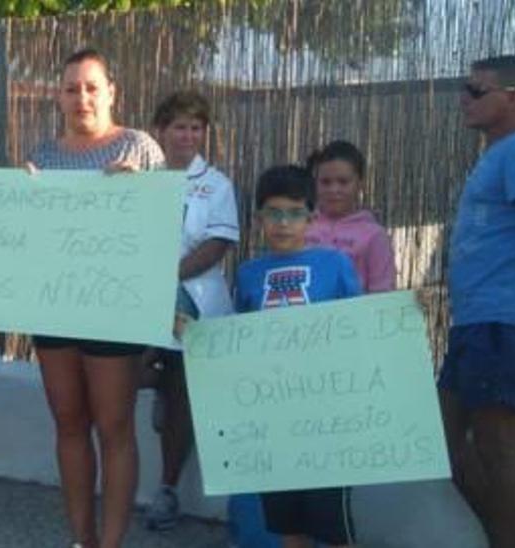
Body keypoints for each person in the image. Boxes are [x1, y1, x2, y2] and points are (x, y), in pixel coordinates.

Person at [24, 48, 165, 548]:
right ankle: (81, 539)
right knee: (68, 423)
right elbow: (31, 244)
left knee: (114, 426)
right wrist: (24, 202)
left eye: (90, 86)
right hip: (57, 305)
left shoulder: (140, 147)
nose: (81, 96)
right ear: (58, 97)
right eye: (70, 88)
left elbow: (166, 230)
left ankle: (110, 543)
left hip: (115, 308)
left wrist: (138, 193)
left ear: (110, 92)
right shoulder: (42, 158)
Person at [229, 165, 362, 548]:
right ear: (258, 219)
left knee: (333, 525)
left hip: (326, 420)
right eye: (273, 213)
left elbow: (360, 329)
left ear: (311, 216)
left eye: (293, 212)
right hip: (272, 420)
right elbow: (236, 337)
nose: (283, 223)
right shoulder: (249, 273)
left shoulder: (335, 265)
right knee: (287, 525)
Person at [143, 90, 240, 531]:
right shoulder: (141, 181)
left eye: (196, 127)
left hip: (195, 303)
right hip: (142, 303)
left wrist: (167, 277)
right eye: (179, 126)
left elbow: (217, 244)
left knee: (182, 393)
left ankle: (166, 490)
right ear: (160, 131)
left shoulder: (216, 184)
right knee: (130, 374)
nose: (187, 135)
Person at [438, 54, 515, 548]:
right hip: (473, 324)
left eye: (476, 90)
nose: (463, 99)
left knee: (498, 446)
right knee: (440, 445)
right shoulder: (494, 155)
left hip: (501, 321)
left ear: (511, 98)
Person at [304, 140, 396, 293]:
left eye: (343, 182)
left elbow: (382, 294)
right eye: (325, 182)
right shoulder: (302, 226)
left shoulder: (374, 236)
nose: (334, 189)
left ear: (360, 184)